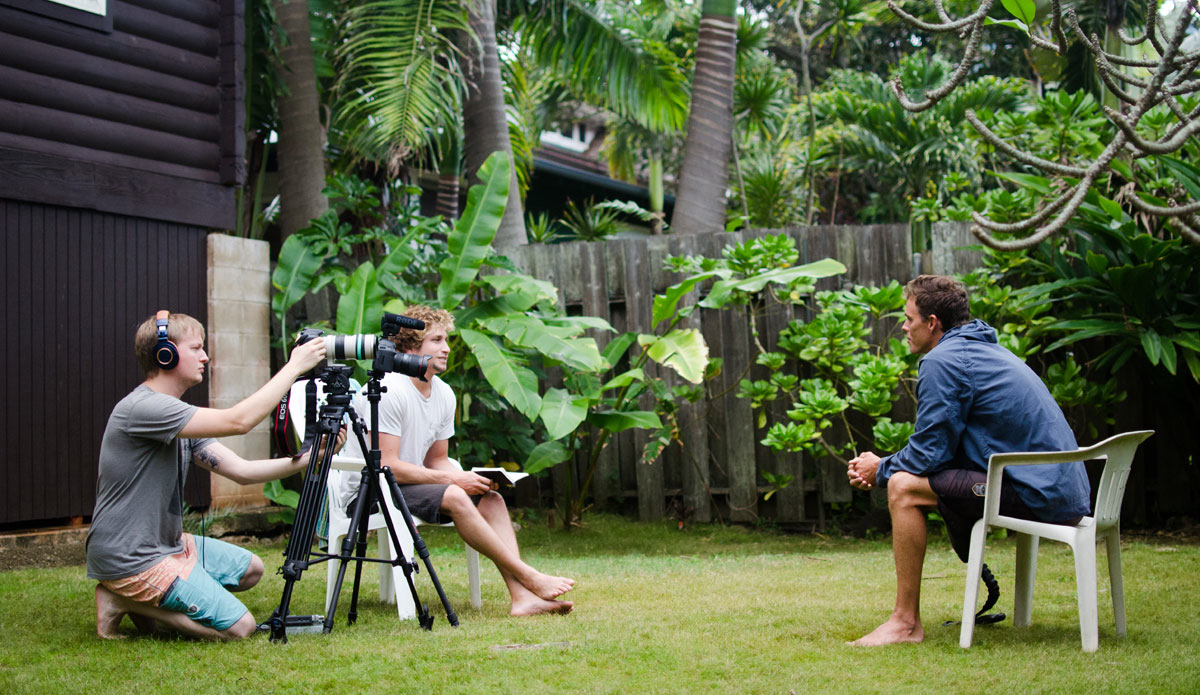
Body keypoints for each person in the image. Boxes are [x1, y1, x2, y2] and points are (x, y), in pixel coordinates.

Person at [845, 275, 1090, 647]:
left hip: (1037, 493)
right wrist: (883, 465)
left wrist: (880, 469)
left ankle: (905, 624)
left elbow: (930, 454)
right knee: (902, 479)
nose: (904, 327)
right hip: (1058, 488)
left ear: (932, 323)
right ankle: (906, 622)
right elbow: (944, 448)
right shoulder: (985, 350)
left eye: (909, 318)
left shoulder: (943, 361)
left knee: (903, 487)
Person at [87, 310, 337, 640]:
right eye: (196, 348)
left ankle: (153, 593)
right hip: (129, 555)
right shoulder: (144, 408)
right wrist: (294, 367)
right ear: (166, 354)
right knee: (241, 628)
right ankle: (121, 597)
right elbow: (239, 421)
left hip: (167, 544)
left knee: (251, 570)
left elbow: (243, 473)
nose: (205, 357)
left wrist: (308, 459)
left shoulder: (179, 418)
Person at [338, 305, 576, 616]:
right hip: (371, 491)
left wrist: (472, 479)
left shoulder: (443, 394)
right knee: (453, 493)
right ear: (410, 346)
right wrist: (454, 481)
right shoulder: (388, 389)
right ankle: (529, 576)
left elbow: (437, 460)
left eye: (446, 339)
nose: (446, 348)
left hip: (411, 485)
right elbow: (388, 466)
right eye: (436, 340)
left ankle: (521, 597)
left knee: (491, 499)